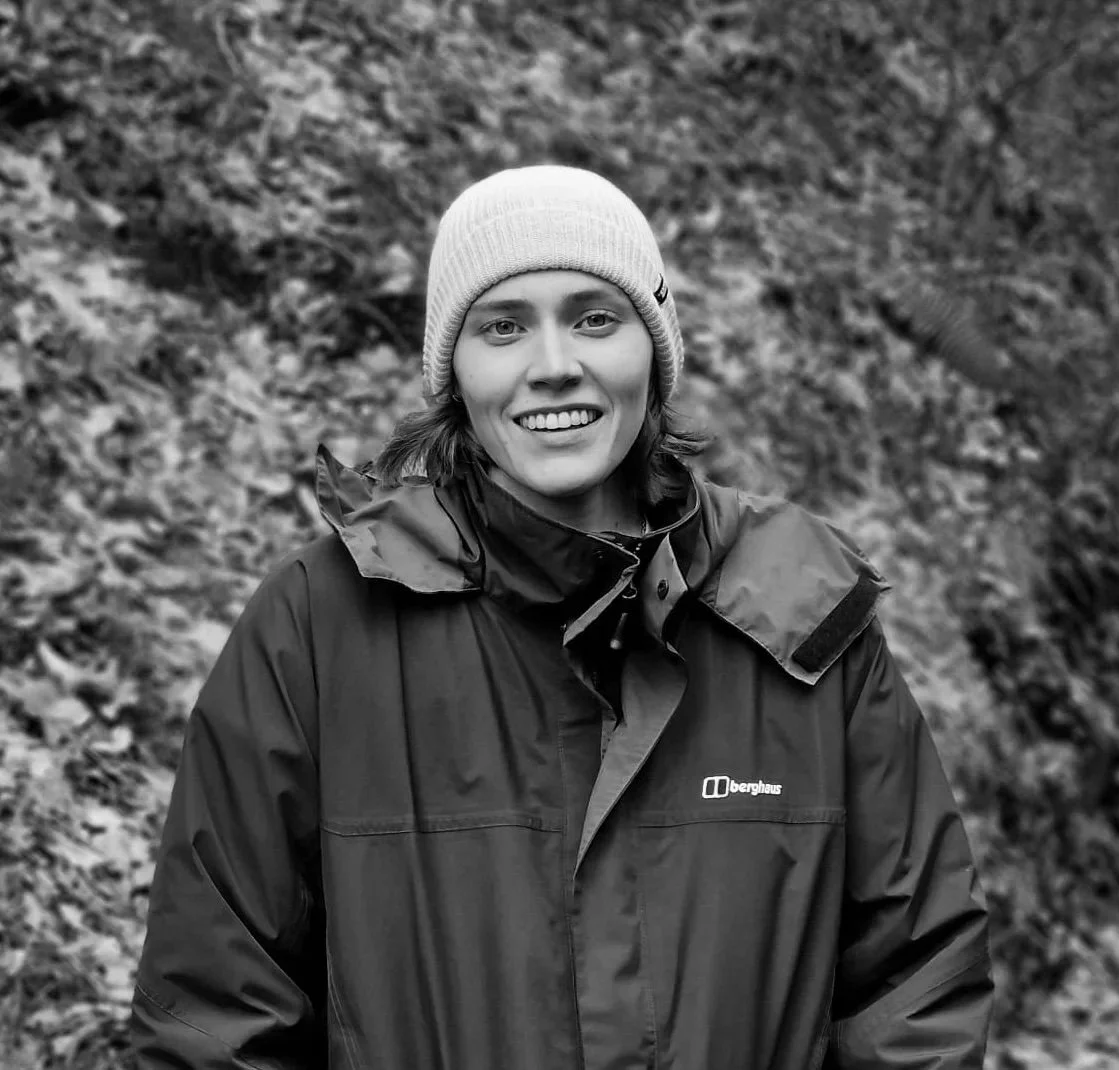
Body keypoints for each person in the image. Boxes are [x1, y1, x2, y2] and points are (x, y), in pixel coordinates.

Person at [129, 165, 993, 1068]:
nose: (552, 367)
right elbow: (213, 1014)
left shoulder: (797, 612)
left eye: (594, 317)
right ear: (453, 372)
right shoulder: (320, 625)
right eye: (503, 327)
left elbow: (915, 986)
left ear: (651, 352)